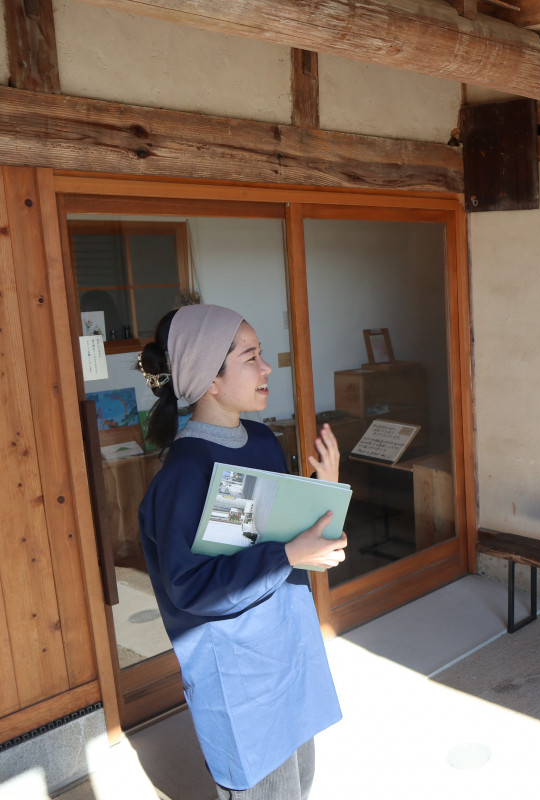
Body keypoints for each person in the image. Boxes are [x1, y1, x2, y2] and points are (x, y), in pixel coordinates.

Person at [137, 304, 348, 799]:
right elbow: (191, 587)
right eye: (250, 357)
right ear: (209, 378)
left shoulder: (261, 439)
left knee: (300, 782)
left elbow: (267, 532)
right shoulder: (185, 472)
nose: (266, 367)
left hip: (286, 645)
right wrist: (288, 556)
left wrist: (325, 489)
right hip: (238, 673)